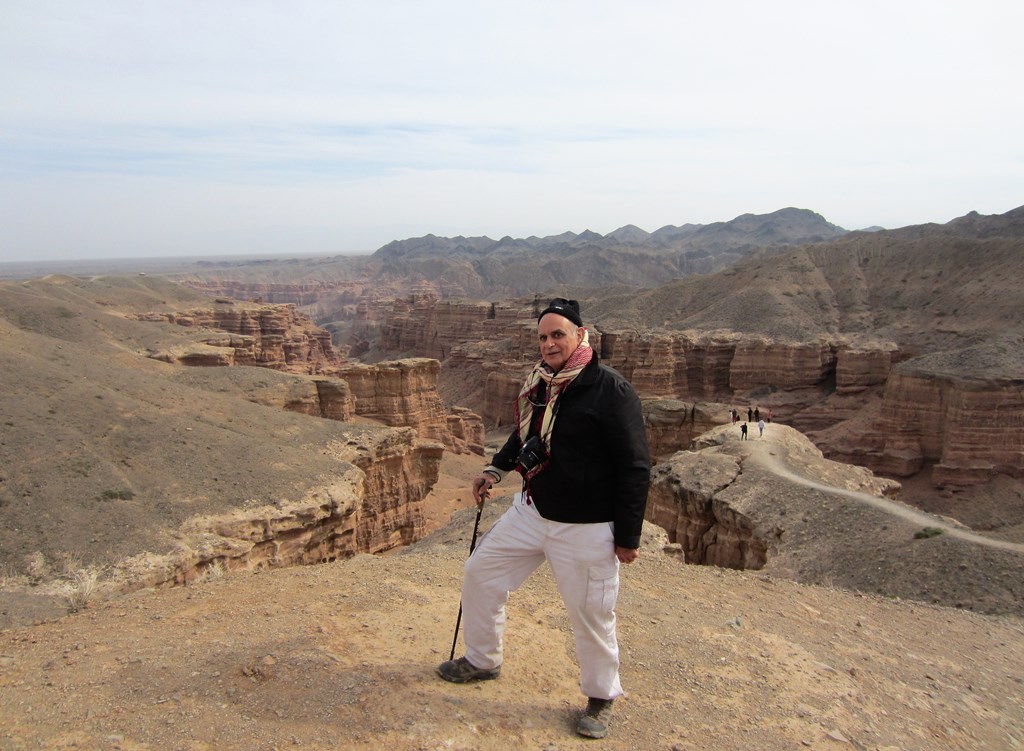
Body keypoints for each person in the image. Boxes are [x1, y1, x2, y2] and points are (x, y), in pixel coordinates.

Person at [437, 298, 651, 740]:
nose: (549, 343)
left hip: (586, 526)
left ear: (579, 334)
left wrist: (627, 536)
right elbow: (526, 434)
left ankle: (600, 696)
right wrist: (495, 468)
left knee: (591, 613)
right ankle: (482, 660)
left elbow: (635, 466)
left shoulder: (610, 390)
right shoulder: (542, 383)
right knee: (482, 572)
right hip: (532, 510)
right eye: (542, 336)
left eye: (558, 334)